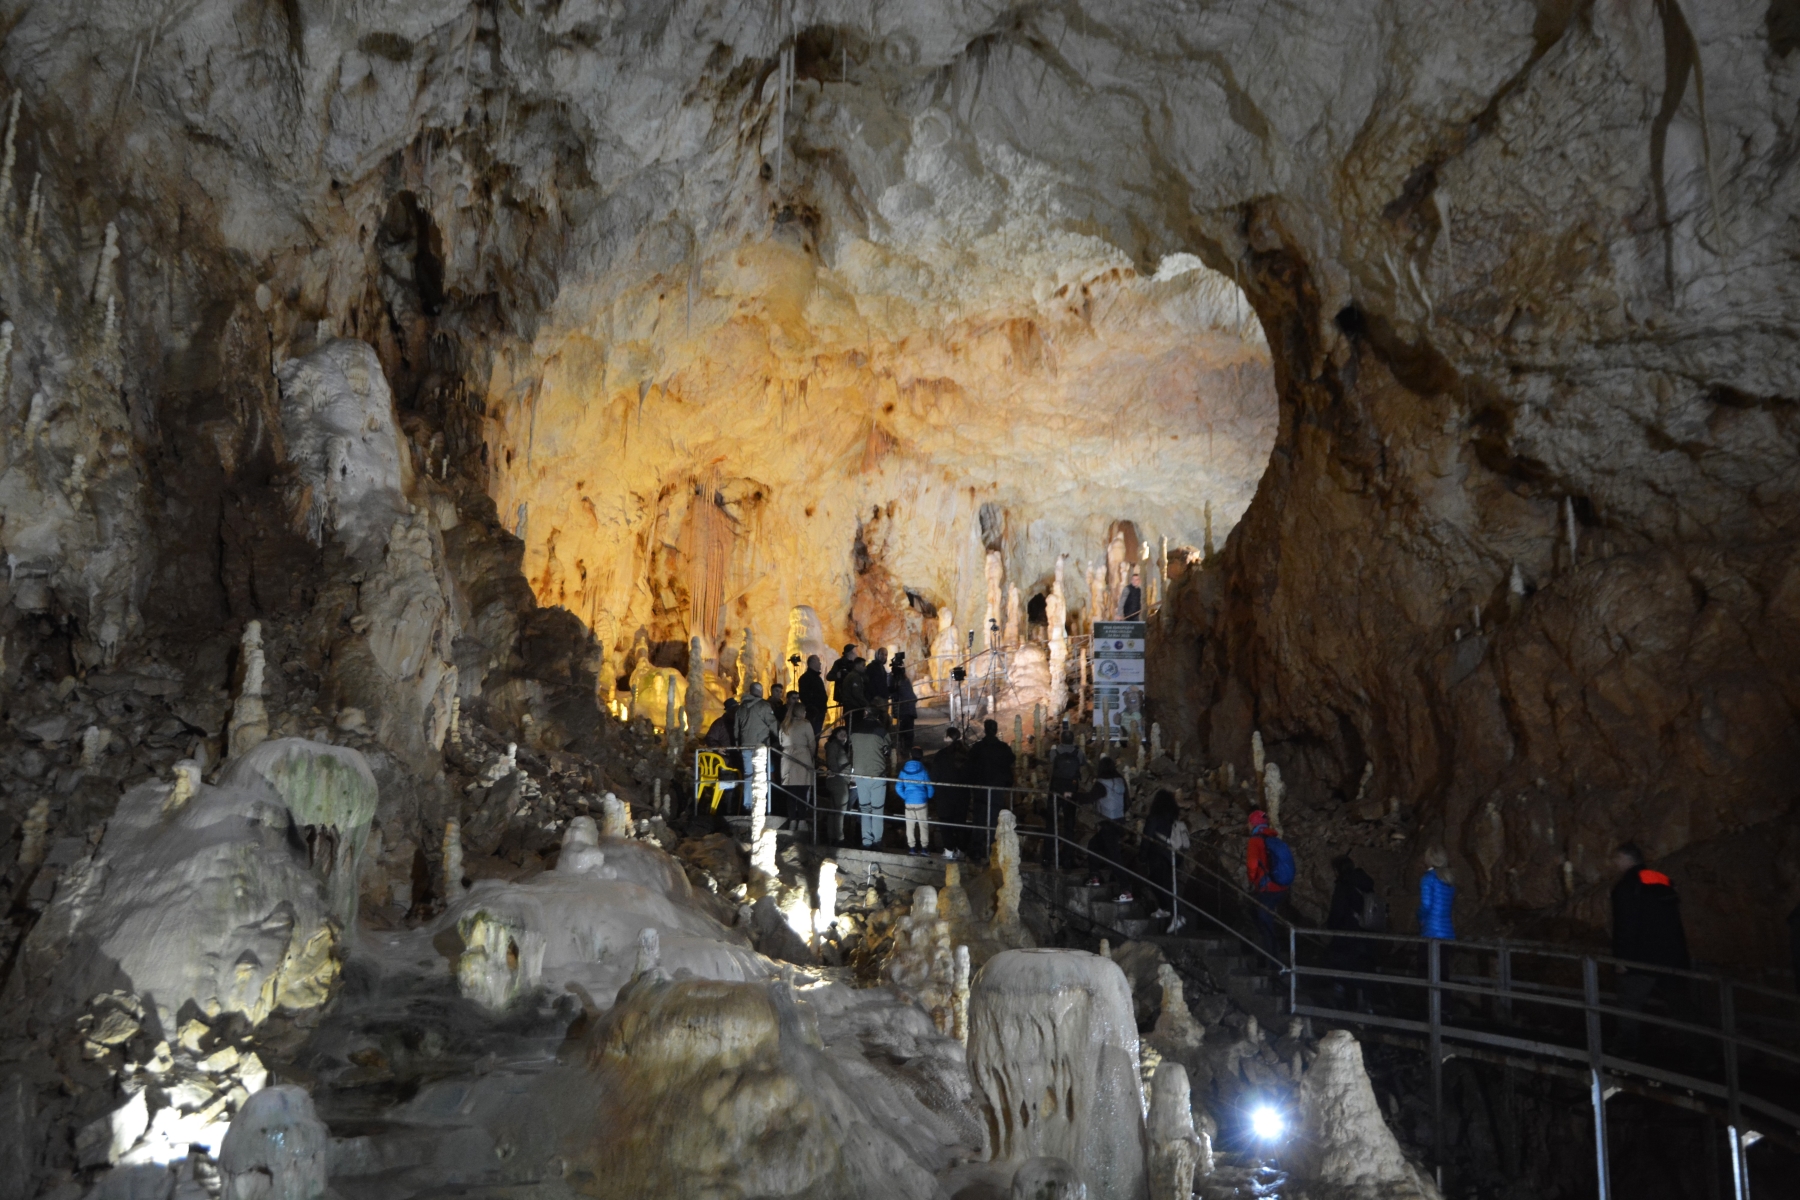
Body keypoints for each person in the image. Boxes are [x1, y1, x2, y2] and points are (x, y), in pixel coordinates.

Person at [1610, 842, 1694, 1055]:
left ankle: (1626, 1051)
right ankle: (1704, 1055)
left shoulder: (1627, 886)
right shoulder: (1662, 880)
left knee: (1628, 1005)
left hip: (1642, 958)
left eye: (1617, 859)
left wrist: (1622, 960)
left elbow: (1625, 926)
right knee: (1683, 1009)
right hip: (1672, 956)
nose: (1614, 864)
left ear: (1627, 859)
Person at [1326, 853, 1381, 1009]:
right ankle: (1366, 1005)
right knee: (1363, 969)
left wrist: (1331, 927)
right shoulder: (1366, 885)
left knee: (1338, 964)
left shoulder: (1344, 885)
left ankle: (1340, 1003)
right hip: (1367, 935)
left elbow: (1337, 911)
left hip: (1347, 935)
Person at [967, 718, 1016, 859]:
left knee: (979, 818)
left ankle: (977, 849)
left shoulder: (978, 747)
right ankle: (992, 849)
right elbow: (1011, 760)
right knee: (994, 817)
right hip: (997, 787)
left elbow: (970, 764)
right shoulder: (1003, 748)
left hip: (981, 787)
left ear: (985, 729)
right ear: (996, 730)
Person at [1246, 809, 1293, 954]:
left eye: (1249, 823)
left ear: (1253, 824)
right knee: (1261, 915)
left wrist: (1253, 880)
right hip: (1281, 887)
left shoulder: (1255, 841)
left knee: (1264, 921)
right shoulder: (1274, 838)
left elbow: (1252, 864)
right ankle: (1273, 952)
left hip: (1267, 889)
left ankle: (1274, 961)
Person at [733, 683, 781, 812]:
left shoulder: (741, 708)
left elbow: (736, 728)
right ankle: (763, 804)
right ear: (760, 691)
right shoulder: (763, 706)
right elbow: (772, 724)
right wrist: (781, 738)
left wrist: (738, 743)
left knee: (749, 774)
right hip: (761, 746)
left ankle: (748, 804)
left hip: (745, 746)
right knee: (762, 774)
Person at [1087, 758, 1130, 898]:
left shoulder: (1101, 783)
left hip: (1107, 823)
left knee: (1114, 857)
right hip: (1119, 822)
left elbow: (1089, 798)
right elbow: (1127, 802)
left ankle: (1126, 890)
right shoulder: (1120, 780)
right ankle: (1095, 877)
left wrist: (1072, 795)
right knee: (1093, 845)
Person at [1141, 788, 1185, 926]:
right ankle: (1165, 909)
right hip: (1174, 856)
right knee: (1166, 884)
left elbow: (1147, 837)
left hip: (1158, 856)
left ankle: (1176, 915)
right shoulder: (1173, 818)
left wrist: (1142, 856)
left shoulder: (1154, 818)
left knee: (1157, 883)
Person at [848, 709, 891, 849]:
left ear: (865, 713)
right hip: (877, 774)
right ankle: (877, 841)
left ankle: (866, 841)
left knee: (864, 809)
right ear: (877, 715)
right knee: (877, 810)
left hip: (860, 774)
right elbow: (887, 750)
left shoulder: (854, 730)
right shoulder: (881, 730)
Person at [932, 726, 972, 858]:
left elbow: (935, 776)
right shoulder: (966, 753)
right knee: (960, 822)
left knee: (946, 822)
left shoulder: (941, 755)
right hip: (962, 795)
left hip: (945, 795)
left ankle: (949, 849)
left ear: (948, 738)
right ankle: (961, 849)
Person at [778, 692, 815, 822]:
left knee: (791, 793)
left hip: (787, 758)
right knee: (802, 792)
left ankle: (792, 819)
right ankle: (802, 820)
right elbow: (811, 743)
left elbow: (781, 742)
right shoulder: (805, 724)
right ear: (801, 712)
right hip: (802, 757)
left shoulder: (784, 724)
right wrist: (811, 756)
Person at [1047, 729, 1085, 836]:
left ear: (1061, 739)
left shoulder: (1055, 751)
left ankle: (1049, 847)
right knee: (1069, 818)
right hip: (1071, 787)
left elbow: (1051, 760)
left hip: (1056, 786)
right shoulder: (1078, 752)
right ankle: (1068, 848)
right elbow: (1082, 763)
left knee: (1051, 817)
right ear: (1073, 739)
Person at [897, 746, 934, 855]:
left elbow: (898, 787)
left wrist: (905, 797)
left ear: (910, 756)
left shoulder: (904, 769)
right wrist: (928, 796)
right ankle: (924, 848)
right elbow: (930, 787)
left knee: (910, 825)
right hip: (922, 801)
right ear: (921, 757)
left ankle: (912, 848)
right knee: (923, 825)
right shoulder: (923, 770)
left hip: (909, 801)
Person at [820, 725, 851, 845]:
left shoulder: (839, 746)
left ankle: (832, 836)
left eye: (845, 733)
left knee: (834, 810)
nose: (843, 735)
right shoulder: (834, 745)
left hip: (839, 779)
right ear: (835, 735)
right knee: (840, 811)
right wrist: (838, 771)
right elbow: (832, 762)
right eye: (840, 733)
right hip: (838, 780)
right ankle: (839, 838)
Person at [1417, 846, 1457, 940]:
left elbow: (1426, 905)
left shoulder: (1428, 879)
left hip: (1431, 931)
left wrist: (1420, 918)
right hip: (1448, 932)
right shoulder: (1449, 880)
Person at [890, 652, 918, 751]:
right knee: (908, 732)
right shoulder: (905, 681)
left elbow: (895, 694)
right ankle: (906, 750)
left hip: (905, 710)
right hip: (909, 709)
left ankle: (904, 751)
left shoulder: (901, 682)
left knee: (905, 732)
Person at [798, 654, 829, 741]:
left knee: (816, 735)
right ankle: (811, 753)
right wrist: (811, 708)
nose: (820, 663)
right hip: (813, 712)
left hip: (820, 711)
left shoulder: (817, 678)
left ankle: (813, 753)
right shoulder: (806, 678)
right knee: (813, 735)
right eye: (818, 661)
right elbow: (804, 695)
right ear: (812, 663)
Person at [865, 647, 891, 720]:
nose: (884, 657)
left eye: (886, 655)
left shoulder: (882, 668)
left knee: (883, 718)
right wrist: (873, 696)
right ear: (877, 654)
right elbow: (868, 683)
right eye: (882, 654)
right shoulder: (871, 667)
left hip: (882, 698)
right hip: (875, 699)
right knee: (876, 718)